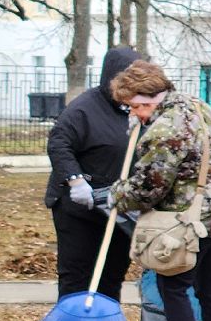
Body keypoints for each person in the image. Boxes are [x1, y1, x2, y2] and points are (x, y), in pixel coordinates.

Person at [107, 61, 211, 321]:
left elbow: (150, 187)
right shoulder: (198, 107)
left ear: (150, 97)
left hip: (188, 218)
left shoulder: (164, 129)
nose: (135, 114)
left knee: (173, 284)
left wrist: (117, 195)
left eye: (135, 106)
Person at [45, 47, 143, 301]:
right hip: (80, 208)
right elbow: (59, 143)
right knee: (77, 274)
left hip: (119, 208)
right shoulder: (83, 109)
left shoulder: (137, 110)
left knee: (112, 275)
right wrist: (75, 180)